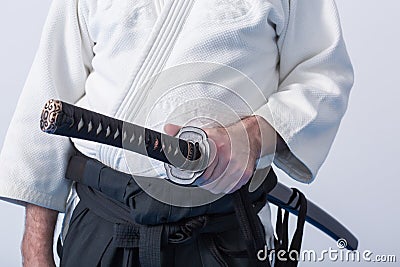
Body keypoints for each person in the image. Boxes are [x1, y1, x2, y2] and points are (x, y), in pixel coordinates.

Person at [0, 0, 353, 266]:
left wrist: (254, 135)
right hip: (100, 221)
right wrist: (35, 247)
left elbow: (323, 76)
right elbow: (49, 91)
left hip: (219, 229)